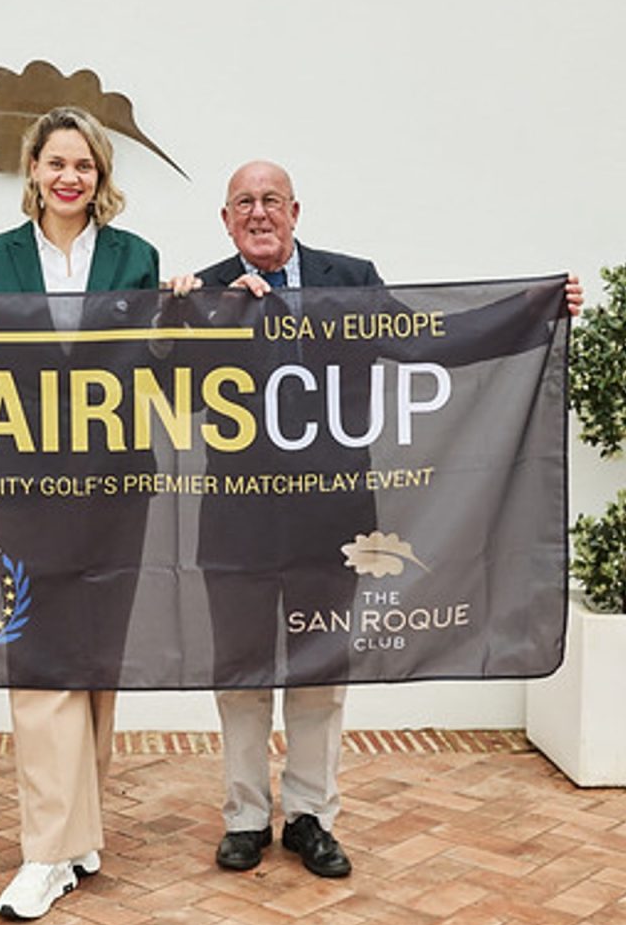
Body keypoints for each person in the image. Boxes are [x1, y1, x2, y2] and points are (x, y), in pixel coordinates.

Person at [169, 160, 583, 880]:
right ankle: (243, 817)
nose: (259, 213)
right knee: (240, 674)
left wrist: (531, 311)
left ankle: (310, 816)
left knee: (322, 672)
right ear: (226, 220)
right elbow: (171, 390)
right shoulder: (202, 291)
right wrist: (204, 321)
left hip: (331, 514)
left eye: (271, 200)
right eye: (244, 203)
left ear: (297, 211)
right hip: (235, 520)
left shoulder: (352, 279)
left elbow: (425, 340)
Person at [0, 106, 159, 919]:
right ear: (33, 171)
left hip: (117, 477)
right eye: (57, 162)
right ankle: (46, 851)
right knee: (41, 654)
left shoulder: (136, 257)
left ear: (100, 176)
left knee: (95, 651)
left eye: (84, 165)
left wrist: (190, 311)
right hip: (24, 479)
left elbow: (156, 361)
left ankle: (80, 830)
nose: (69, 177)